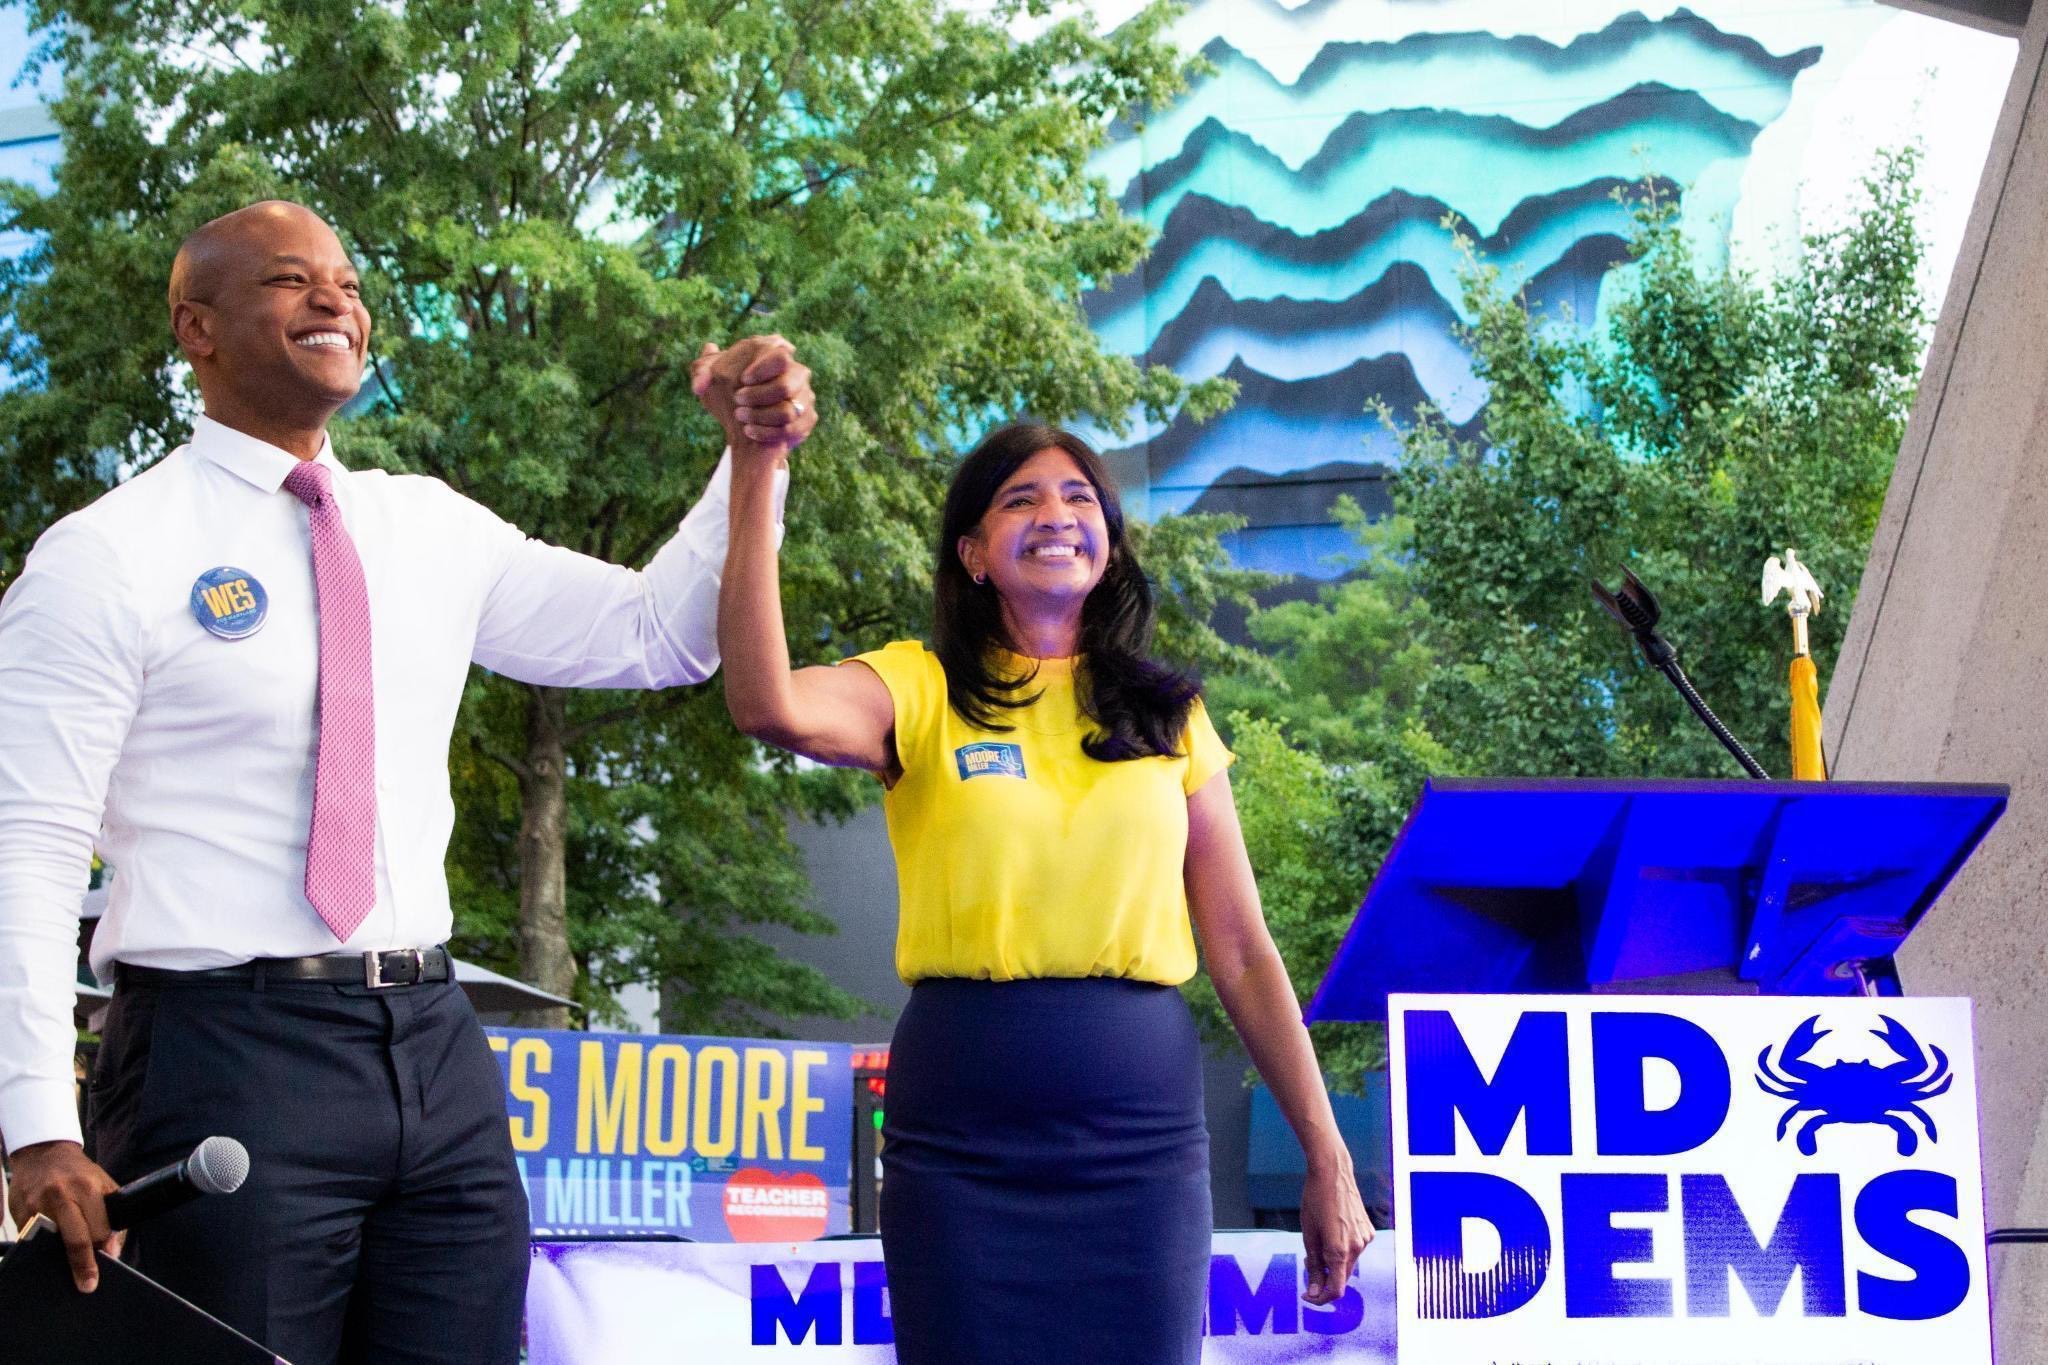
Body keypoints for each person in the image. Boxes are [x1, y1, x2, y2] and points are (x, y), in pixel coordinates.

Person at [0, 200, 815, 1365]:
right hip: (222, 1051)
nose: (335, 299)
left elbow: (656, 637)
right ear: (198, 328)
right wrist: (35, 1123)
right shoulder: (105, 556)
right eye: (290, 280)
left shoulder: (428, 526)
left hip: (434, 1045)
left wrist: (751, 461)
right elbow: (23, 851)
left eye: (346, 279)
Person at [696, 391, 1373, 1363]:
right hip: (961, 1129)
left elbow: (1241, 952)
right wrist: (758, 469)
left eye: (1078, 497)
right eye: (1019, 499)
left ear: (1107, 541)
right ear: (972, 552)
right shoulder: (916, 689)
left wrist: (1326, 1152)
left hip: (1139, 1136)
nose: (1056, 514)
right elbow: (765, 704)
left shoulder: (1171, 717)